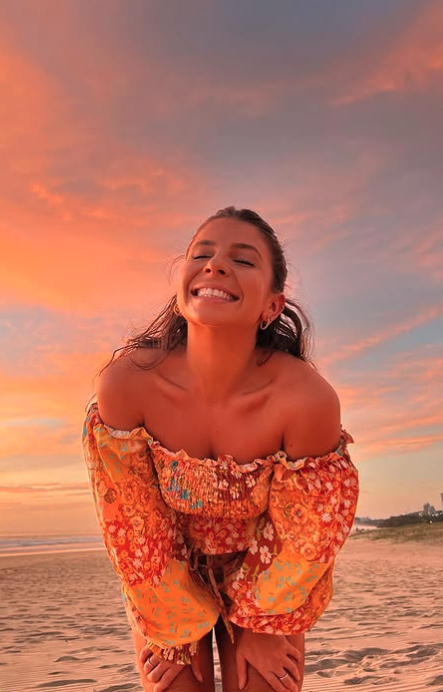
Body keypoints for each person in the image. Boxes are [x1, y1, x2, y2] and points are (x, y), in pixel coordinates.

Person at [83, 206, 359, 692]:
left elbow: (305, 540)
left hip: (272, 568)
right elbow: (133, 527)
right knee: (173, 682)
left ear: (272, 306)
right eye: (202, 254)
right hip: (166, 566)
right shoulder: (127, 384)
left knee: (264, 681)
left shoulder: (306, 399)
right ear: (183, 282)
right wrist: (171, 625)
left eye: (243, 260)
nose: (215, 265)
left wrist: (262, 624)